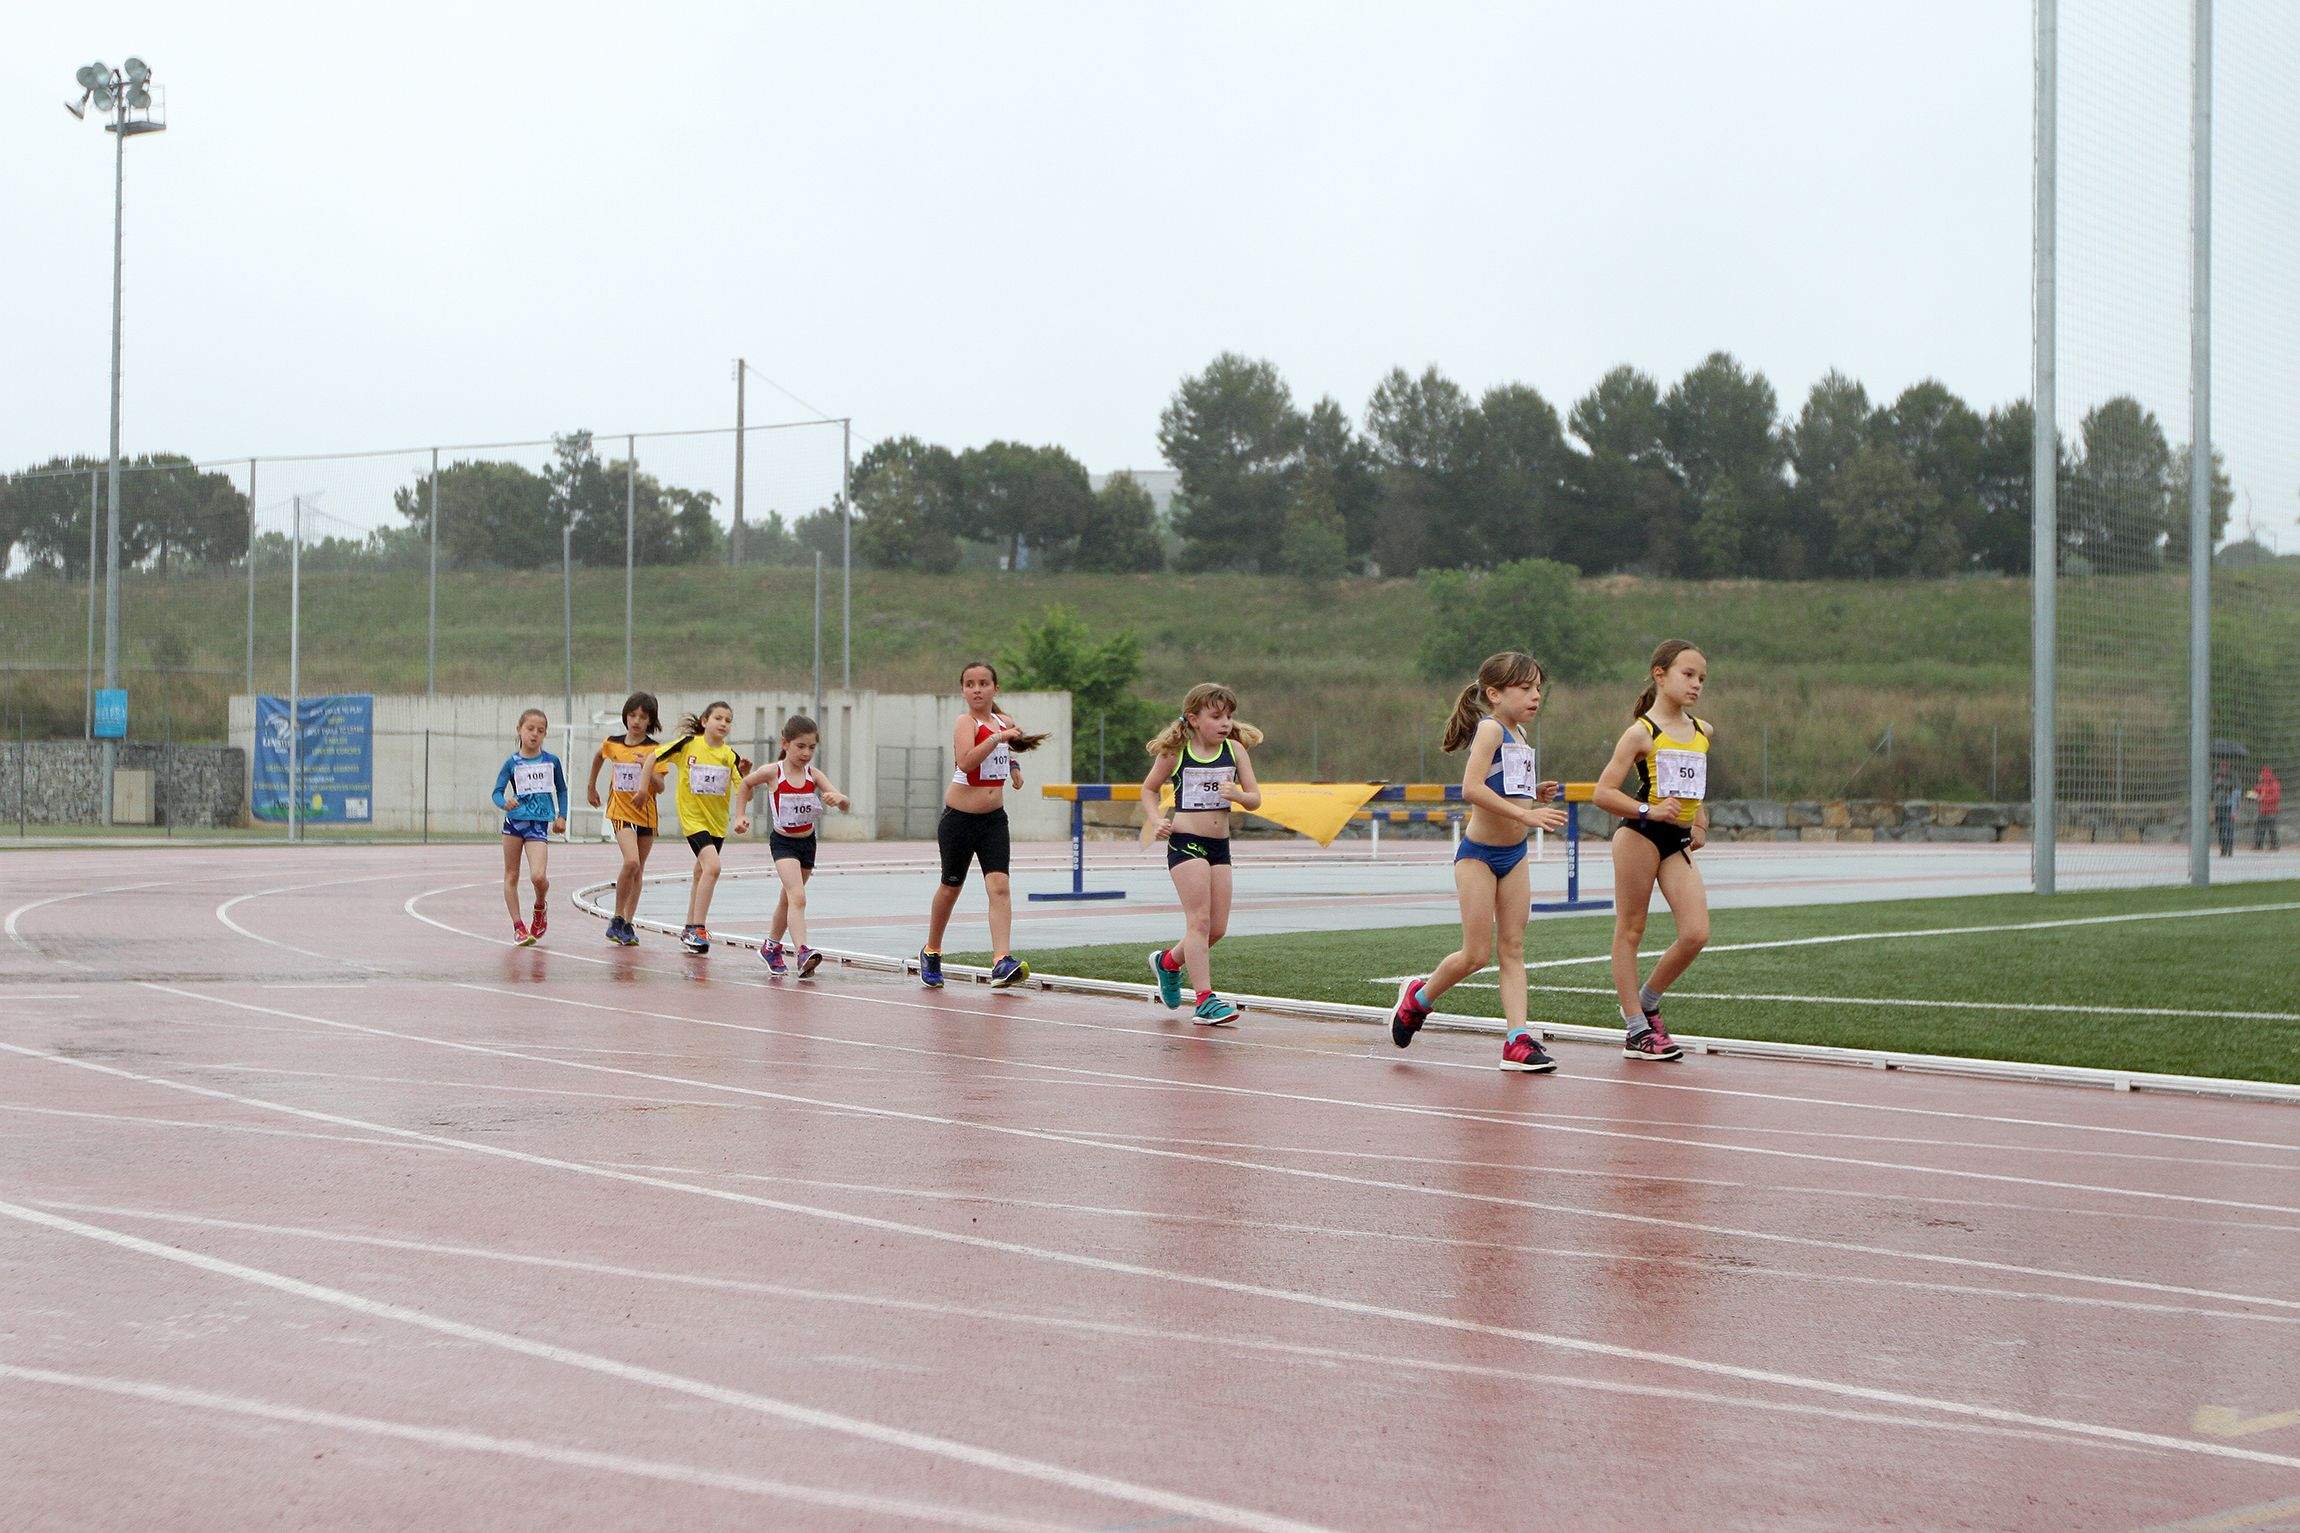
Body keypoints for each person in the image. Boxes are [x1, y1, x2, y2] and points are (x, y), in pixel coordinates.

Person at [1388, 652, 1569, 1071]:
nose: (1535, 695)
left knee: (1513, 948)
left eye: (1538, 688)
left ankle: (1517, 1040)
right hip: (1478, 857)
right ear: (1494, 693)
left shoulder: (1519, 734)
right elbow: (1471, 788)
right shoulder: (1490, 729)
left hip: (1515, 855)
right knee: (1475, 955)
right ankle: (1418, 999)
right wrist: (1526, 814)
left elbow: (1501, 785)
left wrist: (1532, 793)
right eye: (1525, 688)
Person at [1590, 640, 1717, 1062]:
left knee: (1696, 933)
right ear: (1660, 675)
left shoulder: (1703, 732)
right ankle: (1635, 1029)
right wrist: (1651, 810)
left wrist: (1699, 822)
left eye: (1701, 677)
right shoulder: (1641, 733)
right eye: (1687, 674)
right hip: (1640, 836)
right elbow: (1603, 793)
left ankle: (1649, 1000)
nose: (1696, 684)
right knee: (1631, 929)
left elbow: (1696, 790)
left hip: (1675, 842)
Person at [1140, 685, 1265, 1026]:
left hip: (1219, 846)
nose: (1225, 723)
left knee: (1217, 928)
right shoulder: (1177, 752)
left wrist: (1238, 795)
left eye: (1229, 716)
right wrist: (1156, 820)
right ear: (1194, 719)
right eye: (1216, 716)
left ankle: (1168, 962)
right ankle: (1204, 1000)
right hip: (1185, 841)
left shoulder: (1235, 749)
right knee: (1199, 921)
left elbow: (1256, 798)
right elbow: (1149, 789)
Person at [919, 661, 1046, 990]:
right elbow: (967, 761)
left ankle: (1001, 960)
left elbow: (1009, 747)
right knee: (950, 888)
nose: (977, 689)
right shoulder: (966, 722)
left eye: (984, 683)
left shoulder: (1005, 721)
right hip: (959, 820)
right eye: (970, 684)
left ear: (995, 688)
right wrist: (998, 738)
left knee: (1000, 887)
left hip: (993, 820)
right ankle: (931, 950)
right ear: (963, 690)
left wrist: (1015, 767)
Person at [739, 714, 851, 977]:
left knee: (787, 898)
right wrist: (740, 815)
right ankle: (802, 951)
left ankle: (771, 947)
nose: (806, 753)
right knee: (797, 897)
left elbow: (845, 806)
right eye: (800, 746)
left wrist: (840, 799)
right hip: (783, 843)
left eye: (812, 748)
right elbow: (745, 784)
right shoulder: (773, 772)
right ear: (785, 743)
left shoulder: (814, 774)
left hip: (807, 843)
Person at [657, 701, 749, 953]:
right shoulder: (688, 745)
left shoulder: (730, 756)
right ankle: (698, 927)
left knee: (701, 873)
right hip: (693, 819)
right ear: (704, 721)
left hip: (716, 824)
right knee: (713, 867)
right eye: (718, 718)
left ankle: (688, 928)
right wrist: (646, 788)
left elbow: (744, 792)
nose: (723, 723)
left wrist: (745, 776)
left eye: (728, 720)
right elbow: (652, 758)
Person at [586, 691, 665, 947]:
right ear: (626, 716)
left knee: (638, 869)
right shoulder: (613, 743)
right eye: (632, 715)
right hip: (621, 812)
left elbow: (661, 786)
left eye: (643, 717)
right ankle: (617, 917)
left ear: (650, 720)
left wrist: (648, 769)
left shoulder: (654, 749)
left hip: (647, 816)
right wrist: (591, 787)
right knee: (630, 861)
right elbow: (599, 757)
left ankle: (628, 923)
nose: (637, 721)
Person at [492, 707, 568, 946]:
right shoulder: (512, 763)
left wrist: (561, 816)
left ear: (545, 734)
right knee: (511, 875)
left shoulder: (551, 761)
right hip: (514, 824)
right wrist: (505, 803)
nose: (535, 734)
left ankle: (539, 906)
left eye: (540, 730)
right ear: (519, 730)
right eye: (530, 729)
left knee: (538, 876)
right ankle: (518, 926)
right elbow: (496, 792)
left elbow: (562, 790)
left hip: (538, 825)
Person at [2251, 764, 2281, 852]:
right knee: (2260, 827)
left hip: (2271, 810)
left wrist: (2262, 798)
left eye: (2262, 773)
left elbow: (2276, 797)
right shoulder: (2262, 784)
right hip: (2263, 810)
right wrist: (2254, 795)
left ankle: (2274, 845)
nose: (2260, 775)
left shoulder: (2274, 784)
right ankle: (2258, 845)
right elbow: (2253, 792)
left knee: (2272, 828)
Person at [2214, 762, 2239, 858]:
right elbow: (2212, 790)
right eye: (2221, 767)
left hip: (2229, 805)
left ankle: (2229, 848)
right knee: (2220, 828)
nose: (2223, 769)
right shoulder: (2216, 776)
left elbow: (2235, 790)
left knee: (2229, 828)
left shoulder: (2233, 777)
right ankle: (2223, 848)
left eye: (2225, 767)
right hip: (2219, 805)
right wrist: (2217, 784)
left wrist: (2235, 809)